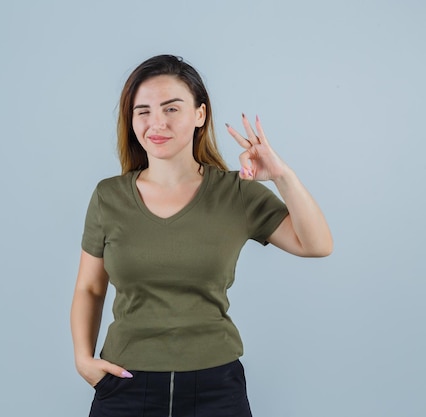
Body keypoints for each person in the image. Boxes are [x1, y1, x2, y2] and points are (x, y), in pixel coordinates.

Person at [70, 54, 333, 417]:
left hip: (215, 388)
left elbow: (317, 245)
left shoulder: (236, 192)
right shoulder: (108, 196)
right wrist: (83, 359)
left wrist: (281, 176)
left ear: (200, 114)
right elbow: (90, 288)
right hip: (125, 383)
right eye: (142, 111)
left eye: (171, 108)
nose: (156, 122)